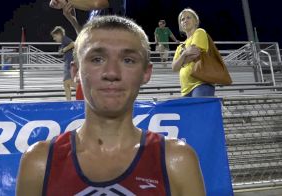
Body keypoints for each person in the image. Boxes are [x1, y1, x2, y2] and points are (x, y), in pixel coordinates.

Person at [16, 15, 205, 196]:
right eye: (97, 59)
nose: (112, 72)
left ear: (146, 73)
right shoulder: (39, 162)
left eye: (128, 60)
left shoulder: (177, 161)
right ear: (76, 71)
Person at [172, 8, 214, 97]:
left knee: (199, 111)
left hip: (201, 84)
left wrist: (181, 62)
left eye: (188, 18)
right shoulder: (180, 47)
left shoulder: (199, 32)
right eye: (182, 19)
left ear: (195, 21)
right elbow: (174, 67)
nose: (185, 20)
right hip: (185, 89)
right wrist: (184, 53)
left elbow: (195, 54)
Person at [51, 26, 75, 101]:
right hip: (68, 63)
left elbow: (73, 43)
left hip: (69, 63)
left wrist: (64, 49)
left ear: (59, 34)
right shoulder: (62, 42)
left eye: (55, 37)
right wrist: (61, 51)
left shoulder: (64, 38)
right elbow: (61, 51)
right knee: (66, 83)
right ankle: (68, 101)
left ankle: (83, 89)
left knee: (67, 82)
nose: (54, 39)